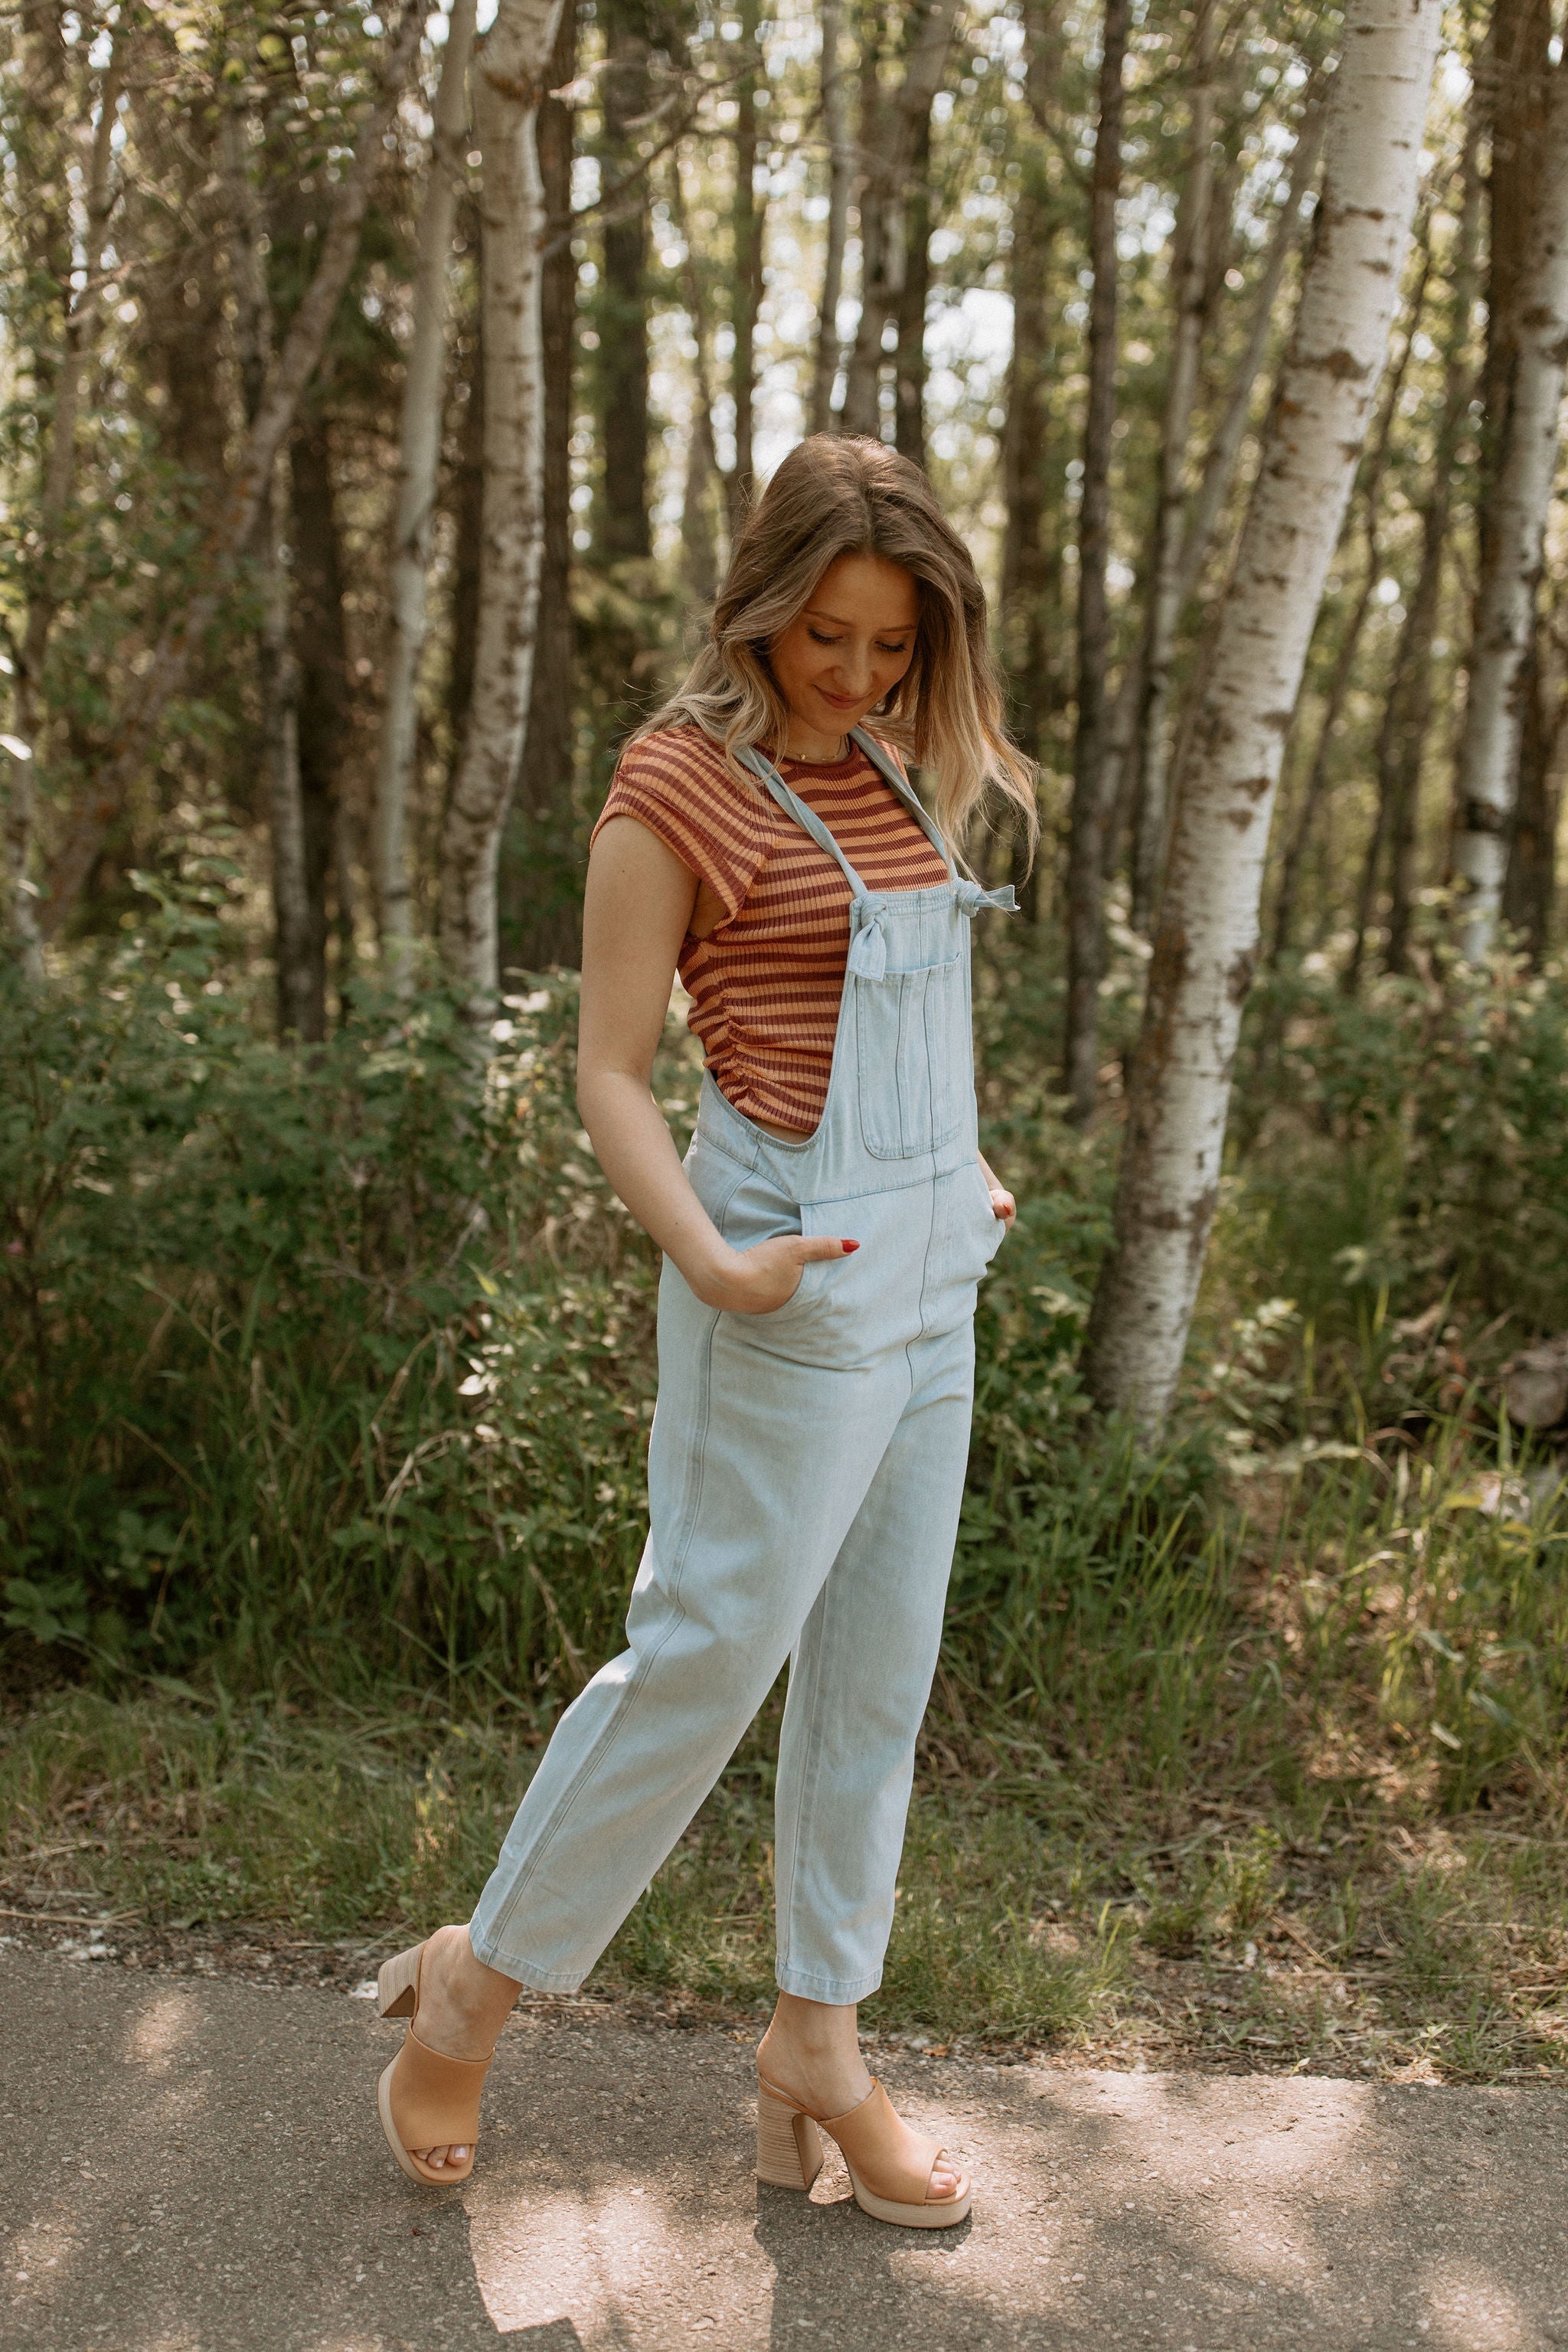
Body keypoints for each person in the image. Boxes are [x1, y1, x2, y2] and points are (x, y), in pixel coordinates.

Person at [373, 433, 1035, 2230]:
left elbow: (899, 1009)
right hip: (782, 1270)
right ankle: (474, 1985)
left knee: (875, 1676)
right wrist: (713, 1262)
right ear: (760, 606)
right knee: (706, 1653)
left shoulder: (893, 765)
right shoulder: (675, 782)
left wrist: (964, 1168)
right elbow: (611, 1069)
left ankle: (817, 2041)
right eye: (828, 636)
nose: (856, 675)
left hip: (931, 1283)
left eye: (891, 645)